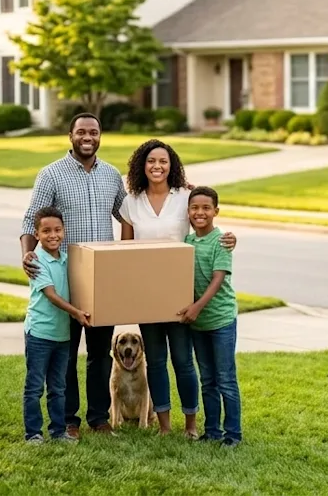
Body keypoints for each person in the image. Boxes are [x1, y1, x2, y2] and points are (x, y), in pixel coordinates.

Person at [20, 114, 236, 439]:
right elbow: (29, 220)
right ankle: (68, 421)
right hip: (65, 273)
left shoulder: (110, 175)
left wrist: (188, 192)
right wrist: (28, 253)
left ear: (100, 135)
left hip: (103, 280)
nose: (87, 137)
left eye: (93, 131)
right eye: (81, 132)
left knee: (98, 355)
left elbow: (138, 213)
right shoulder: (50, 174)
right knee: (66, 353)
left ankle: (98, 417)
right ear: (70, 135)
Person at [119, 139, 199, 438]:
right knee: (155, 361)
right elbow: (124, 250)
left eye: (163, 161)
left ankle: (190, 425)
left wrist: (227, 239)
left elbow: (204, 226)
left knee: (182, 361)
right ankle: (164, 426)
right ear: (142, 165)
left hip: (179, 292)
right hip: (146, 294)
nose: (157, 166)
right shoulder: (131, 201)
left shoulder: (185, 196)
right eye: (151, 161)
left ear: (172, 165)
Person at [179, 186, 242, 447]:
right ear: (188, 212)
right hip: (198, 325)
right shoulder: (188, 243)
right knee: (207, 380)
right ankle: (212, 431)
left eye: (206, 208)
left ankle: (233, 434)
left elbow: (217, 280)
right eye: (194, 208)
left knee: (226, 379)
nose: (200, 212)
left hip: (221, 320)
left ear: (216, 211)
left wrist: (196, 307)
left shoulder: (221, 241)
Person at [23, 206, 91, 444]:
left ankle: (58, 431)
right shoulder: (36, 261)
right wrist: (77, 313)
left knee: (58, 388)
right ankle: (33, 433)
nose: (53, 235)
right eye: (47, 231)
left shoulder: (65, 259)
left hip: (62, 336)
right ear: (37, 233)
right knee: (34, 388)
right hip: (40, 334)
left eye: (58, 230)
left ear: (64, 231)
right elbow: (52, 295)